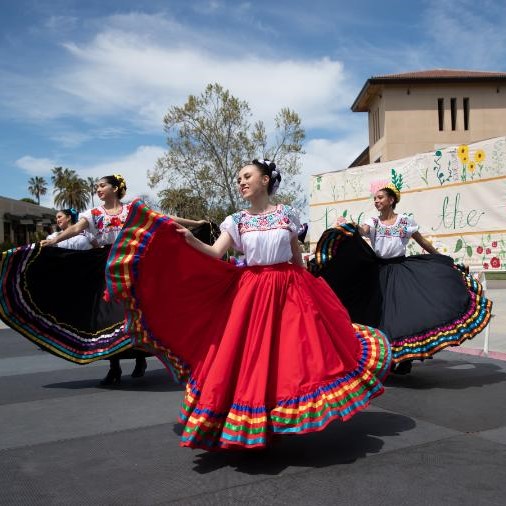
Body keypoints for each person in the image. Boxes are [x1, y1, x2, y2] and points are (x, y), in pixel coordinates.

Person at [104, 159, 391, 450]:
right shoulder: (236, 220)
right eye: (239, 178)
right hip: (252, 291)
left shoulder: (287, 214)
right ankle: (252, 419)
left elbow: (294, 256)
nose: (241, 181)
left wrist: (312, 292)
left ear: (265, 180)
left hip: (291, 289)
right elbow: (216, 253)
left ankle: (282, 415)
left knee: (294, 354)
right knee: (252, 357)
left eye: (247, 176)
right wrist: (190, 238)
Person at [40, 174, 207, 385]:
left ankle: (140, 359)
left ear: (115, 188)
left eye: (102, 185)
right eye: (97, 187)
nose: (98, 189)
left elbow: (164, 218)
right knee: (108, 318)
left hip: (131, 266)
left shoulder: (132, 210)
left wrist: (195, 223)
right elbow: (75, 229)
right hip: (105, 266)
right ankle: (114, 367)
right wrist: (55, 239)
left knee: (134, 316)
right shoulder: (93, 214)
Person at [310, 183, 492, 375]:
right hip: (378, 272)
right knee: (381, 316)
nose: (377, 201)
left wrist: (439, 257)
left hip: (401, 271)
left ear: (391, 200)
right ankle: (386, 356)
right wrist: (350, 226)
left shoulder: (405, 221)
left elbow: (421, 241)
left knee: (404, 315)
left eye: (380, 197)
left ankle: (406, 357)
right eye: (375, 198)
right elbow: (362, 231)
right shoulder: (373, 221)